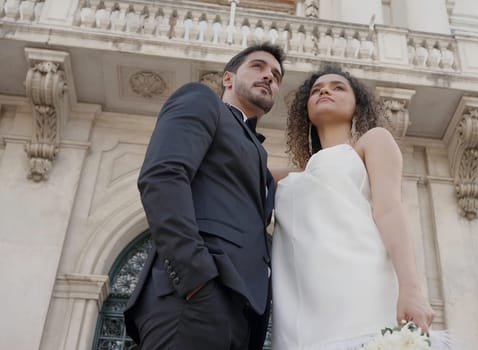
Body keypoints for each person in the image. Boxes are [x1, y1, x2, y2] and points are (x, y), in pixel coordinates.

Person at [123, 43, 285, 350]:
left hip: (243, 319)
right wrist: (195, 278)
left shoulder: (256, 152)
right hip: (194, 301)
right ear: (227, 78)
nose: (269, 78)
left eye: (276, 76)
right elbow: (163, 176)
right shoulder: (202, 101)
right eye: (258, 67)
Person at [271, 65, 435, 349]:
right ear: (305, 112)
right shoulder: (293, 178)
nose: (325, 90)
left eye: (338, 87)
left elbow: (390, 210)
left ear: (357, 105)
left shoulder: (373, 141)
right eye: (316, 90)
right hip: (302, 308)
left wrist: (411, 289)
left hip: (362, 290)